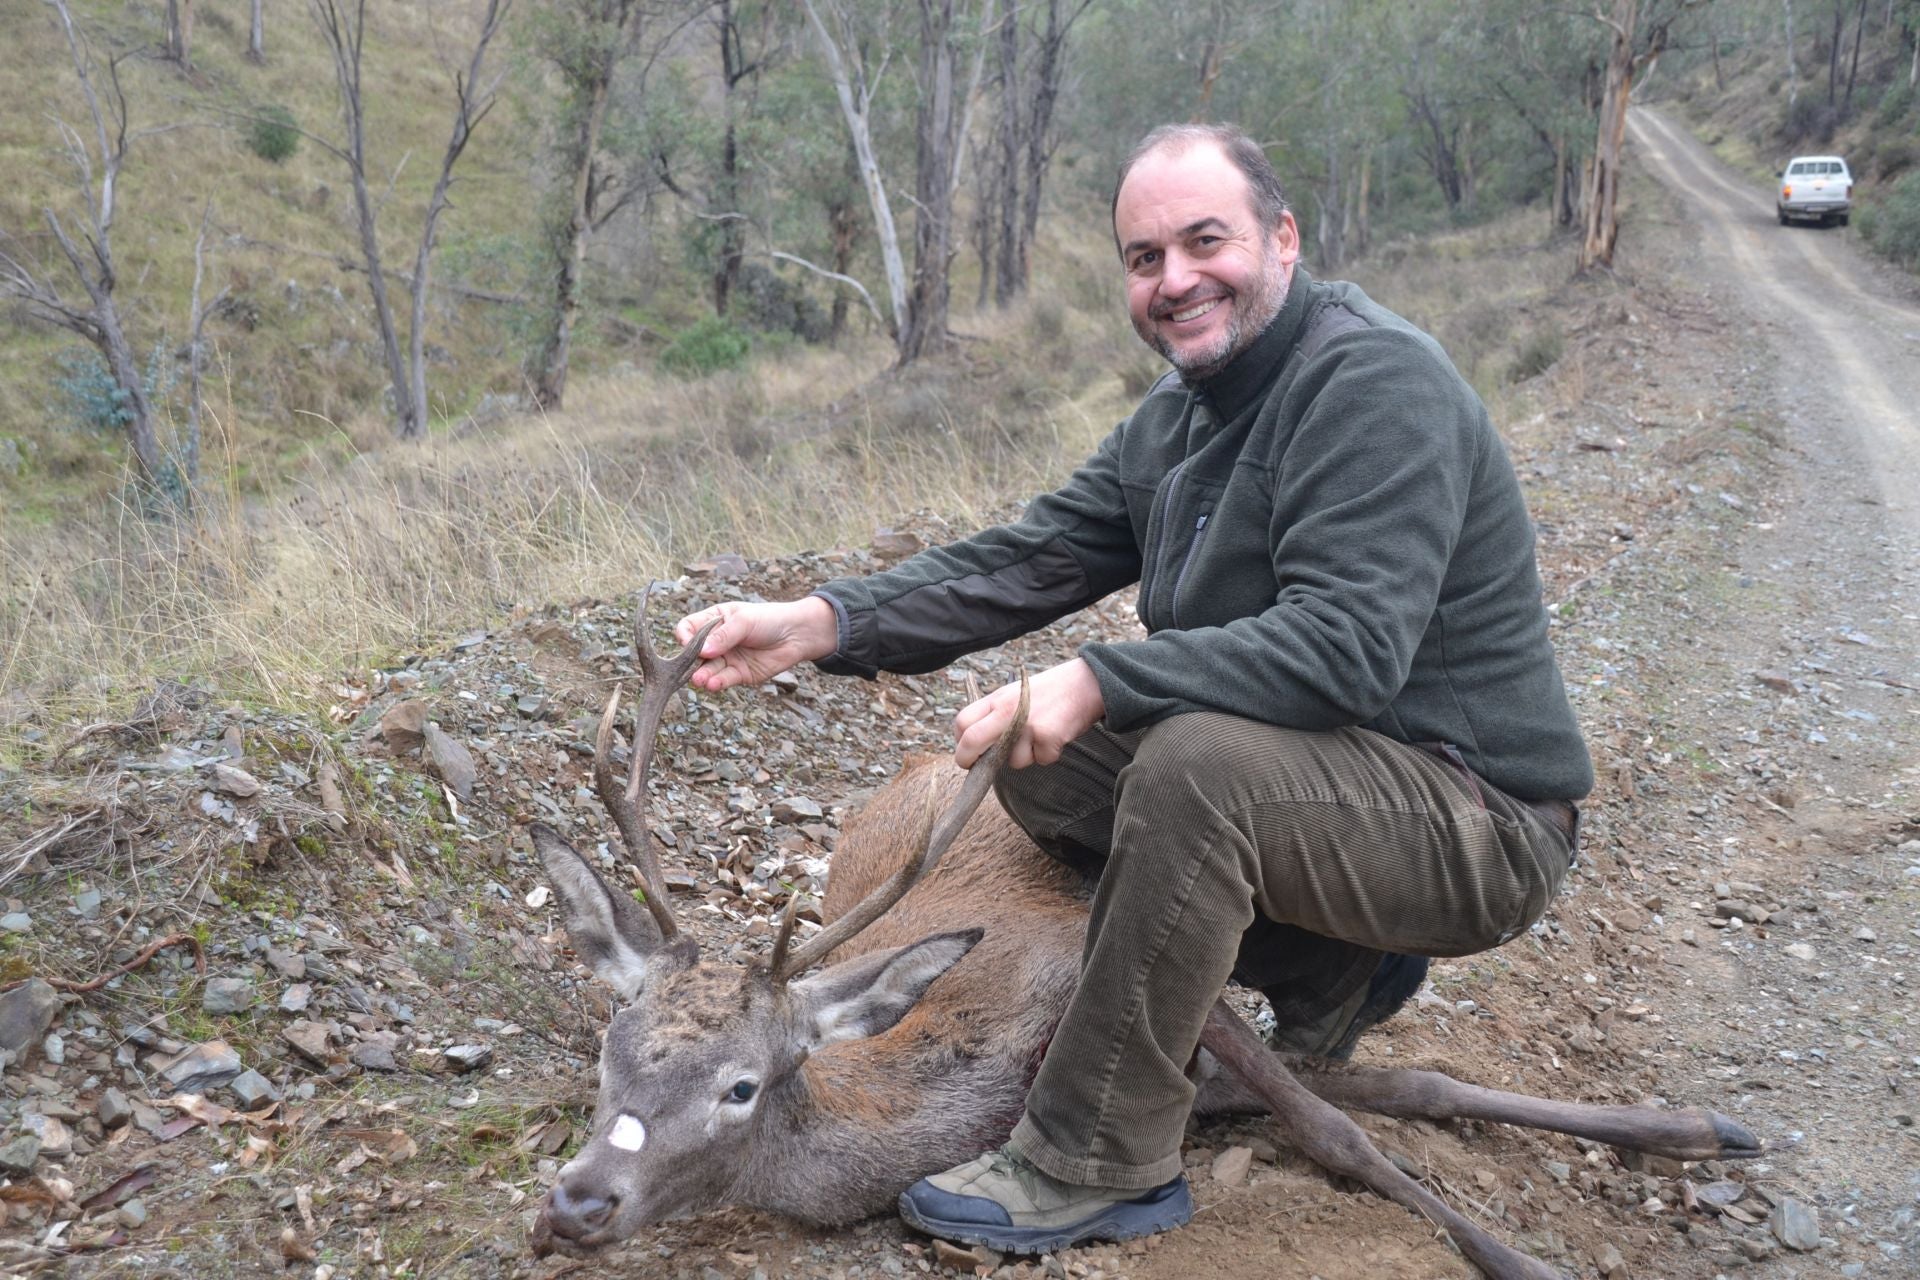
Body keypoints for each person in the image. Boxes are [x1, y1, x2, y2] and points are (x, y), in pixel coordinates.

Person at [671, 122, 1592, 1255]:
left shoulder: (1374, 383)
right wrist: (823, 620)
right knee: (1040, 768)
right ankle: (1337, 964)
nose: (1175, 280)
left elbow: (1349, 646)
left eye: (1206, 242)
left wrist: (1101, 673)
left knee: (1192, 767)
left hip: (1474, 817)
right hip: (1344, 777)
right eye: (1145, 257)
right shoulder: (1188, 412)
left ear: (1284, 237)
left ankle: (1097, 1153)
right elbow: (1026, 558)